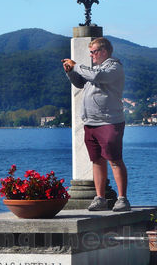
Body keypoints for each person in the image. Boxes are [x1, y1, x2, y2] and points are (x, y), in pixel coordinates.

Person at [61, 37, 130, 212]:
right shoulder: (95, 69)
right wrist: (71, 72)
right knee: (97, 161)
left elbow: (97, 76)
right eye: (90, 52)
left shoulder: (114, 67)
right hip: (91, 123)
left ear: (104, 52)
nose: (91, 55)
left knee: (114, 159)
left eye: (94, 52)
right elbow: (80, 83)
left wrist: (76, 65)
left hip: (109, 121)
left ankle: (122, 199)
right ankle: (100, 198)